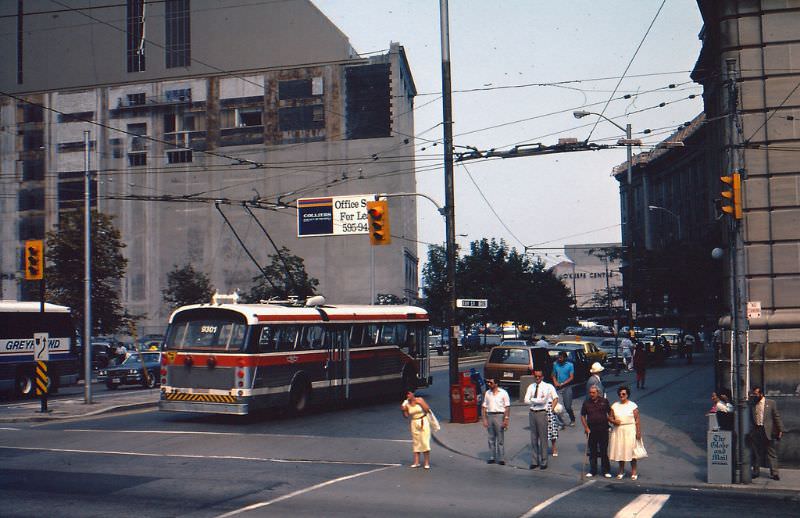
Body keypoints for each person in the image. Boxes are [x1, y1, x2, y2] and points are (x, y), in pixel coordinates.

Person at [524, 370, 558, 470]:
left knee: (543, 438)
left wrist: (532, 400)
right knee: (533, 438)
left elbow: (543, 401)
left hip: (542, 413)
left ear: (542, 377)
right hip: (532, 413)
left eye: (539, 376)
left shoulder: (548, 387)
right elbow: (526, 400)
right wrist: (535, 401)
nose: (537, 378)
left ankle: (544, 460)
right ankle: (535, 461)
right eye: (535, 376)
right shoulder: (531, 387)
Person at [748, 386, 784, 480]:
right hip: (756, 430)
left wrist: (780, 430)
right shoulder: (752, 404)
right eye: (753, 394)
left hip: (768, 431)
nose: (754, 396)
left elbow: (776, 416)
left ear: (761, 394)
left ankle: (775, 473)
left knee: (771, 452)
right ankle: (756, 471)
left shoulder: (771, 403)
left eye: (756, 394)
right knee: (756, 452)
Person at [608, 385, 642, 479]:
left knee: (632, 452)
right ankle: (621, 471)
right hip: (618, 430)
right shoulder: (615, 405)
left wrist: (638, 432)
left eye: (623, 394)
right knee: (620, 451)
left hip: (630, 430)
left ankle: (634, 472)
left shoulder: (633, 405)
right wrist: (614, 421)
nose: (621, 395)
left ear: (627, 395)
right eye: (620, 394)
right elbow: (610, 417)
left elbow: (637, 419)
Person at [581, 385, 612, 478]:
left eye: (593, 393)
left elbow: (610, 412)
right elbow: (582, 415)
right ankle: (593, 470)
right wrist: (586, 428)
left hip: (603, 429)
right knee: (592, 451)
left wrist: (610, 421)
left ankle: (606, 470)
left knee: (603, 450)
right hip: (591, 429)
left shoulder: (604, 401)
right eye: (590, 393)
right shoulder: (586, 403)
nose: (591, 394)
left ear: (598, 393)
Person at [482, 378, 510, 465]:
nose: (489, 384)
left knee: (500, 437)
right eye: (488, 382)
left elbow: (507, 407)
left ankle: (501, 458)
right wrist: (484, 419)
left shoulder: (503, 393)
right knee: (491, 438)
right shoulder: (487, 393)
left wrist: (506, 419)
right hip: (490, 415)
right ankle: (492, 456)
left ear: (496, 384)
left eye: (491, 382)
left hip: (499, 415)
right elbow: (484, 407)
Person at [401, 391, 432, 469]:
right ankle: (416, 462)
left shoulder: (420, 400)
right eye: (407, 394)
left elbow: (427, 409)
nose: (408, 395)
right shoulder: (406, 404)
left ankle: (426, 462)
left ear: (412, 394)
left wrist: (420, 403)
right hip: (414, 422)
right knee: (416, 441)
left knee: (424, 441)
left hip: (423, 421)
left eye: (409, 394)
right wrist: (403, 410)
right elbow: (406, 416)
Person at [551, 351, 575, 427]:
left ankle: (572, 418)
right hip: (558, 388)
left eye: (561, 358)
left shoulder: (570, 365)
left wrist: (563, 383)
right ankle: (561, 422)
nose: (559, 359)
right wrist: (555, 382)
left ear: (565, 358)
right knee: (557, 407)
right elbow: (553, 375)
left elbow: (571, 377)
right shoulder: (555, 364)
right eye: (559, 357)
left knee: (567, 406)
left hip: (567, 387)